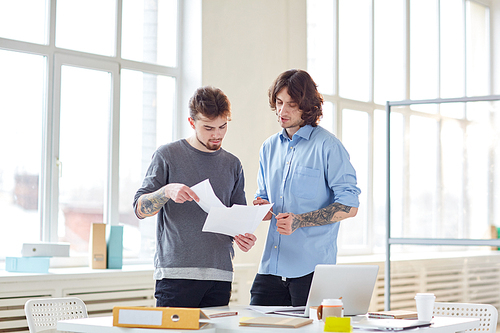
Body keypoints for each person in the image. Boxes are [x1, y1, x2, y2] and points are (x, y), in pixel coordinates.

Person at [133, 86, 257, 308]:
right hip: (176, 276)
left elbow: (238, 219)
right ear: (192, 123)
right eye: (208, 128)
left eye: (223, 126)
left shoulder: (233, 165)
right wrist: (166, 191)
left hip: (220, 276)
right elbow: (140, 209)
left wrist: (244, 238)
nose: (217, 134)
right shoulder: (168, 155)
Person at [250, 69, 361, 306]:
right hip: (271, 265)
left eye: (292, 104)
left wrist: (299, 220)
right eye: (279, 103)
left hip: (312, 270)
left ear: (308, 107)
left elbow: (349, 206)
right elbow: (265, 199)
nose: (283, 111)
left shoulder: (329, 146)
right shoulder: (268, 147)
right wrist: (262, 209)